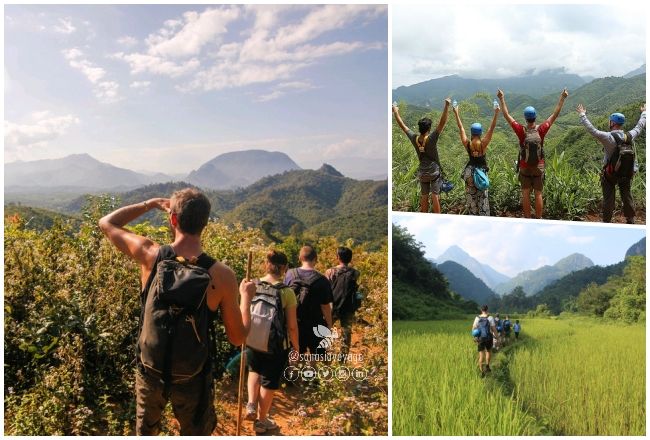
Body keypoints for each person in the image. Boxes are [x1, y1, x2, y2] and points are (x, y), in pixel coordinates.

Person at [98, 188, 254, 435]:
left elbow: (107, 222)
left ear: (173, 219)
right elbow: (238, 337)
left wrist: (149, 204)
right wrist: (246, 299)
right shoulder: (222, 275)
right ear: (205, 223)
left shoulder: (150, 255)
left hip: (150, 372)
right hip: (192, 376)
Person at [245, 251, 300, 434]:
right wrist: (296, 348)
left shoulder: (252, 284)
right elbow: (292, 326)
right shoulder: (287, 292)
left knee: (254, 370)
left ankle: (251, 404)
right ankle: (261, 421)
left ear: (265, 264)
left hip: (252, 339)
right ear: (284, 268)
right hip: (275, 346)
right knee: (269, 381)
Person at [497, 88, 569, 219]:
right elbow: (554, 115)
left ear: (525, 118)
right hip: (539, 166)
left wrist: (501, 98)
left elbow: (507, 115)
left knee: (525, 193)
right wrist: (562, 97)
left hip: (524, 166)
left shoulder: (521, 131)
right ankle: (539, 219)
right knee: (538, 194)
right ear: (535, 117)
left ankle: (527, 219)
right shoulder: (541, 129)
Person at [575, 103, 646, 223]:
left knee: (609, 198)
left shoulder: (607, 137)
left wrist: (582, 114)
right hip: (626, 173)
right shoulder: (629, 136)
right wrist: (644, 112)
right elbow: (640, 126)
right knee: (627, 196)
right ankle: (631, 219)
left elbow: (592, 130)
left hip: (610, 175)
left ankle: (607, 221)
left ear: (612, 123)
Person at [392, 98, 451, 213]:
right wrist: (446, 106)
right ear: (429, 128)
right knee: (435, 196)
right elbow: (442, 123)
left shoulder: (414, 138)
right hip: (434, 172)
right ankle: (437, 216)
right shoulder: (432, 138)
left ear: (419, 128)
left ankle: (423, 214)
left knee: (424, 196)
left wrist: (396, 112)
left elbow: (403, 126)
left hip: (422, 173)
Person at [451, 101, 500, 215]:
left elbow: (461, 128)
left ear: (472, 133)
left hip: (469, 173)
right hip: (481, 174)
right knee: (483, 199)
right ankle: (483, 217)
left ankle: (473, 216)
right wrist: (496, 113)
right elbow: (491, 128)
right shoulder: (483, 145)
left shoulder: (467, 144)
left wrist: (456, 113)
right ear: (480, 133)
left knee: (471, 199)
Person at [284, 246, 333, 357]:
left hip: (294, 322)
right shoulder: (322, 280)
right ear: (315, 259)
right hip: (315, 323)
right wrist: (329, 325)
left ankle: (294, 372)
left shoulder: (290, 274)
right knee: (315, 353)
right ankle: (311, 372)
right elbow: (325, 307)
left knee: (294, 353)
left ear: (300, 258)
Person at [325, 246, 361, 355]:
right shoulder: (355, 273)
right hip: (348, 306)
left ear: (338, 257)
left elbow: (326, 289)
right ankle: (343, 359)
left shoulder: (330, 271)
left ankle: (326, 355)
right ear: (350, 258)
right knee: (346, 332)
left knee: (326, 330)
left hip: (332, 306)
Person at [472, 305, 497, 376]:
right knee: (488, 351)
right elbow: (494, 329)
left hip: (480, 338)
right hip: (488, 338)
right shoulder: (490, 317)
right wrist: (497, 337)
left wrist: (475, 337)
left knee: (481, 355)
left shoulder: (477, 318)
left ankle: (481, 371)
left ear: (481, 310)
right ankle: (487, 366)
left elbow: (473, 328)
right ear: (487, 309)